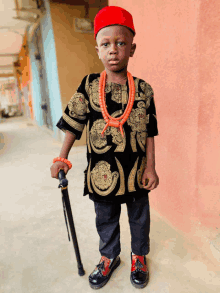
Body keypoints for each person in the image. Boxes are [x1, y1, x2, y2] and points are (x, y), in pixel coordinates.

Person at [50, 6, 159, 290]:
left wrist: (151, 167)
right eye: (106, 44)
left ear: (132, 49)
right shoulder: (89, 86)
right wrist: (61, 157)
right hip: (102, 174)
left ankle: (138, 257)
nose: (114, 50)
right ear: (97, 49)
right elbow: (73, 124)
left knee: (139, 218)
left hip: (136, 173)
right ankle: (109, 257)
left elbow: (150, 132)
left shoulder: (144, 90)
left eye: (121, 43)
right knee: (106, 220)